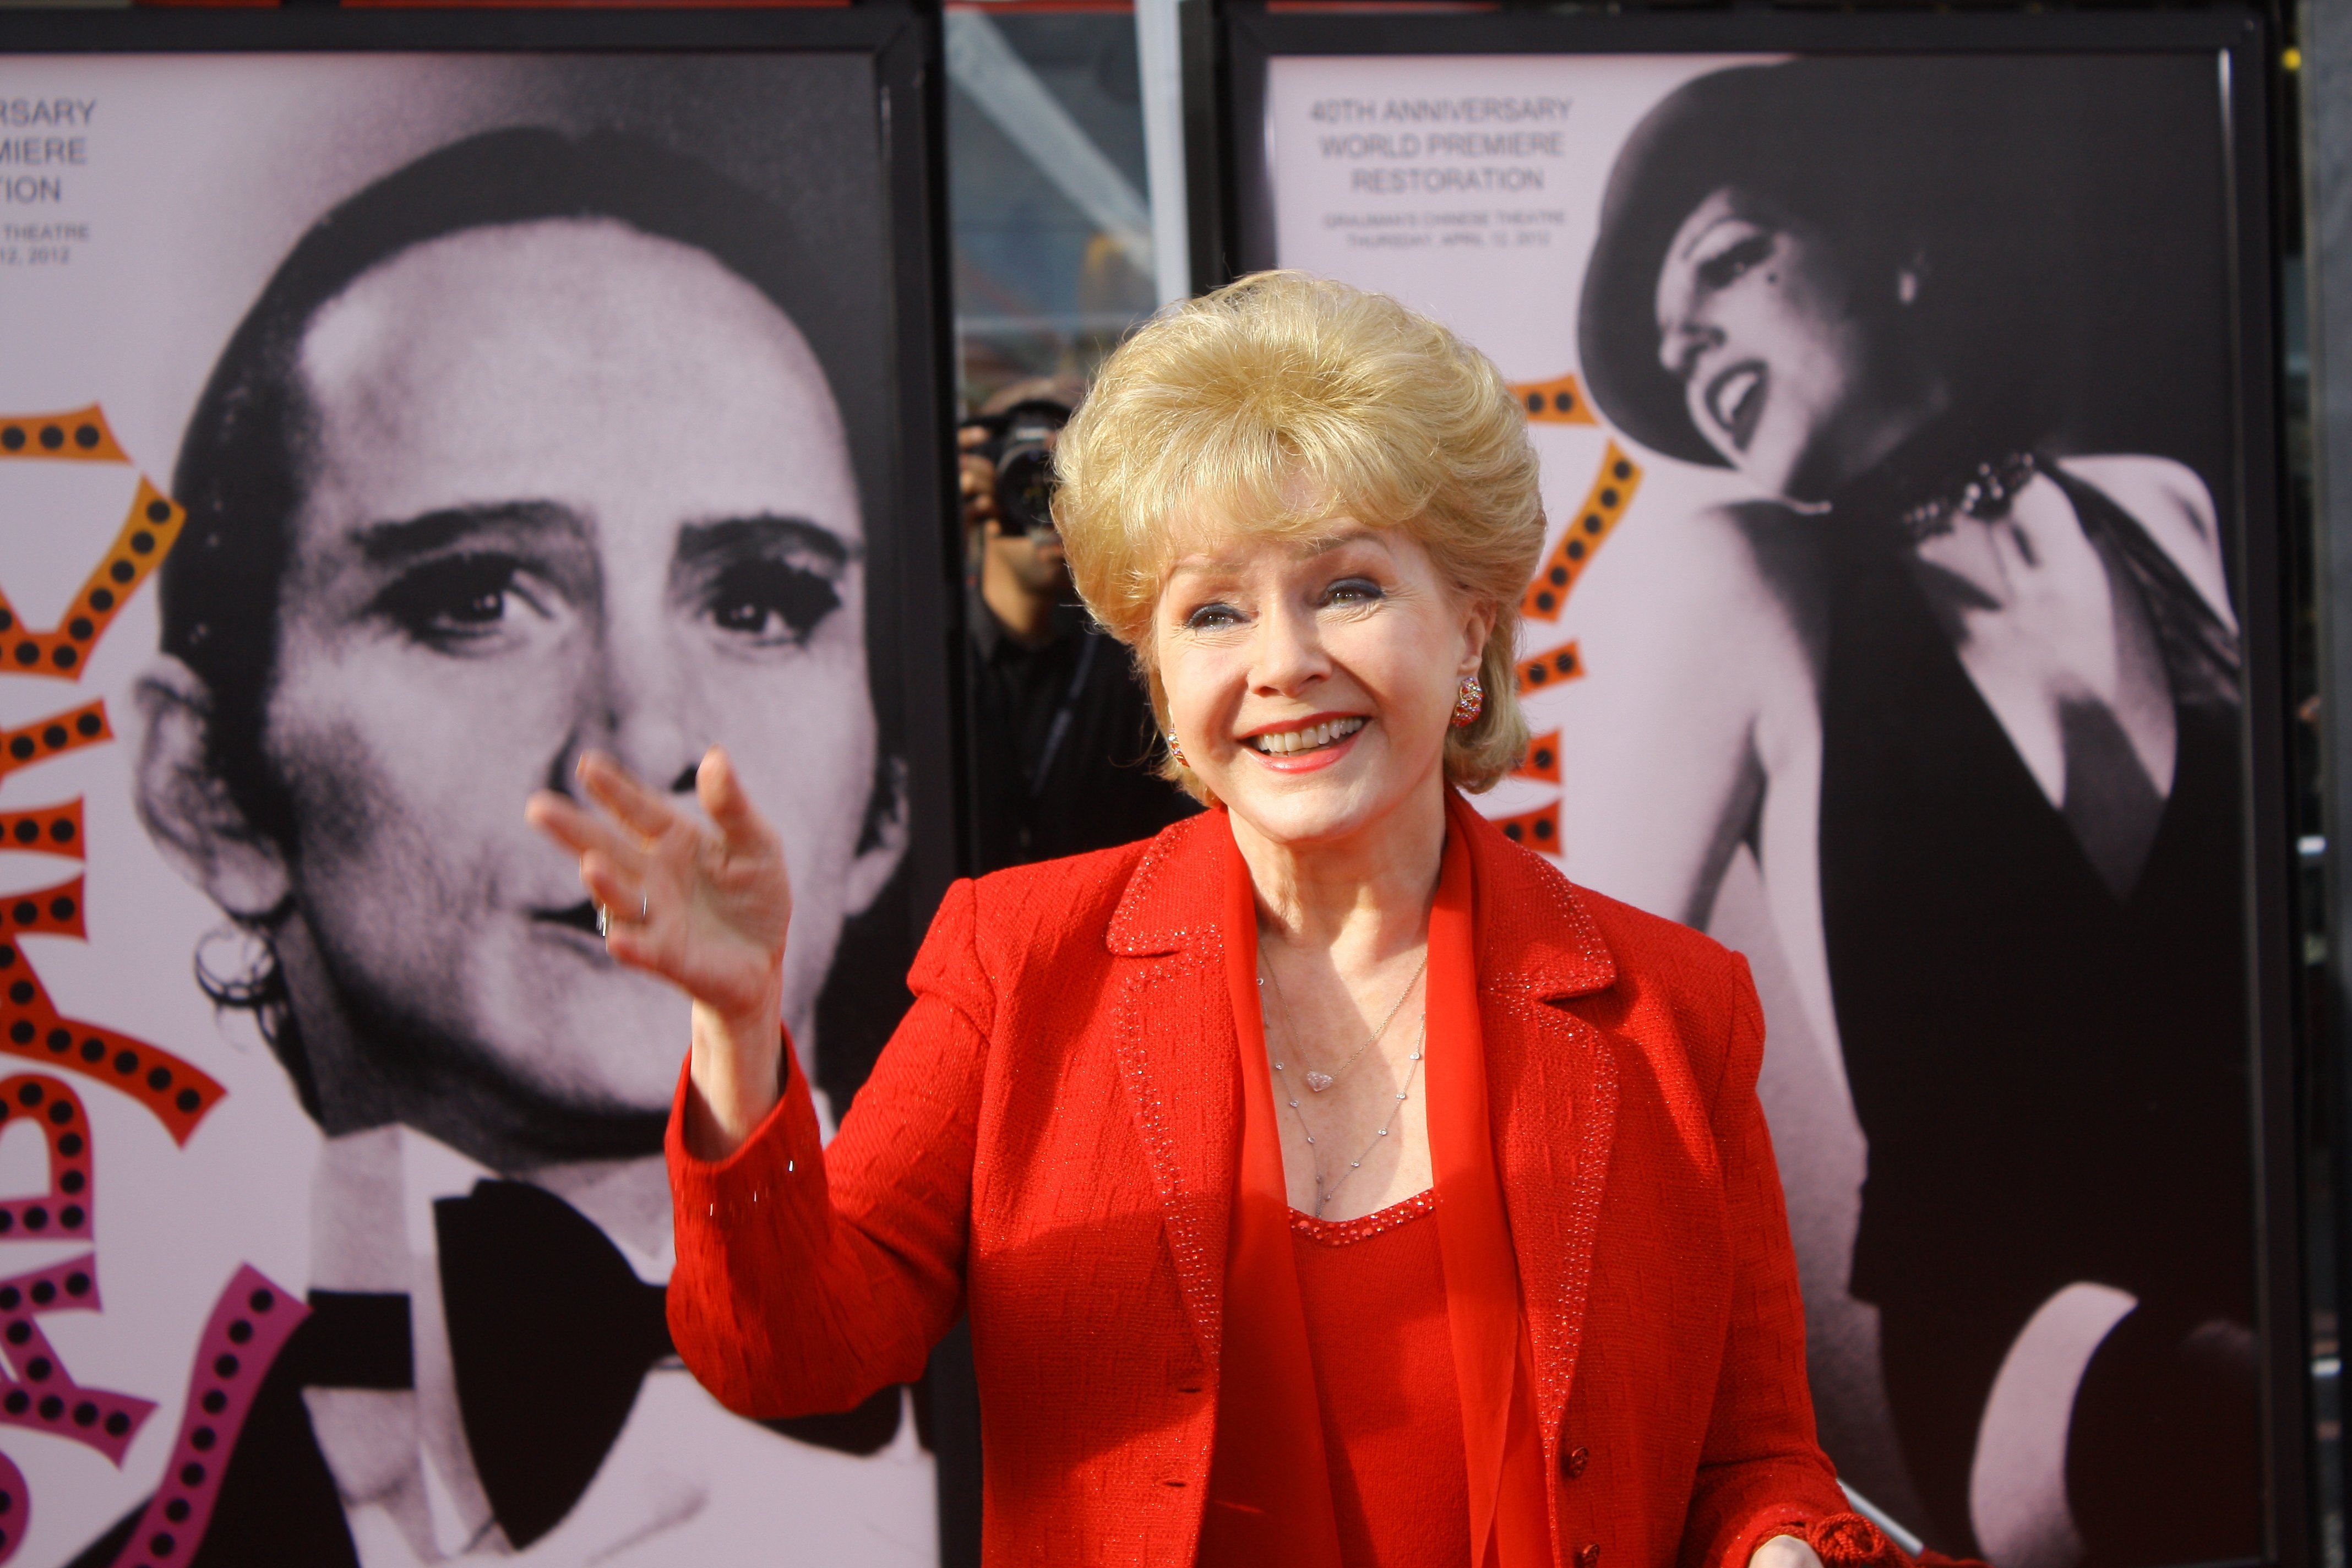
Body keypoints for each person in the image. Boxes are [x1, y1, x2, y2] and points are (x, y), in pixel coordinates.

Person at [531, 272, 1918, 1568]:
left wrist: (1784, 1544)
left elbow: (1753, 1456)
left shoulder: (1671, 1004)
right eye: (1211, 612)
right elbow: (792, 1350)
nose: (1282, 663)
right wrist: (735, 1029)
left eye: (1350, 587)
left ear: (1471, 627)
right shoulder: (1020, 959)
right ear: (1156, 667)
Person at [120, 128, 934, 1566]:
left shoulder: (1122, 1415)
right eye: (474, 597)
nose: (646, 735)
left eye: (758, 599)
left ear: (887, 804)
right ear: (211, 789)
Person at [1564, 57, 2256, 1568]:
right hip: (2022, 1331)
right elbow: (1573, 1035)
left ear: (1894, 246)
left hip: (2256, 1233)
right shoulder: (1737, 579)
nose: (1691, 350)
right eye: (1674, 349)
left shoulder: (2162, 510)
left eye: (1728, 267)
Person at [957, 382, 1197, 872]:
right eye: (1029, 480)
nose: (1051, 513)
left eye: (1066, 488)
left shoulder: (1132, 662)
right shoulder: (932, 660)